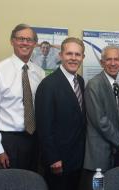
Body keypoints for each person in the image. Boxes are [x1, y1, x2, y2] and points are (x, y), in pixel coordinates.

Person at [0, 24, 45, 171]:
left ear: (35, 44)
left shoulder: (40, 73)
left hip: (33, 140)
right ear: (12, 41)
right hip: (8, 141)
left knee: (31, 182)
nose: (25, 43)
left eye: (29, 40)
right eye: (20, 39)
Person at [35, 37, 86, 190]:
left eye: (77, 54)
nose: (73, 58)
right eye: (69, 54)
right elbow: (44, 126)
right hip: (59, 161)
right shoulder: (48, 85)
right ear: (60, 55)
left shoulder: (81, 81)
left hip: (77, 158)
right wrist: (53, 158)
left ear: (82, 57)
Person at [79, 45, 119, 190]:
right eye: (108, 59)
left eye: (116, 59)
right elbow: (100, 120)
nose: (113, 63)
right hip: (98, 155)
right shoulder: (95, 84)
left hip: (112, 153)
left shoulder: (114, 84)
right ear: (102, 62)